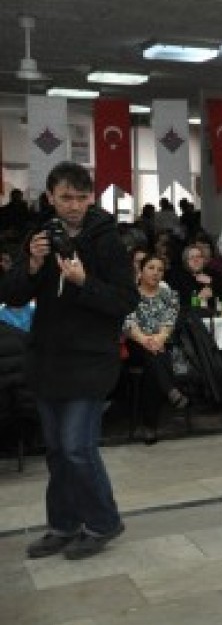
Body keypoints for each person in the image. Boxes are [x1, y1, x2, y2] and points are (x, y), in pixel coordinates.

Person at [1, 162, 138, 560]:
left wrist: (83, 282)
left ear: (91, 197)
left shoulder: (109, 240)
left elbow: (124, 301)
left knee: (78, 447)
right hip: (48, 358)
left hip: (92, 360)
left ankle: (103, 522)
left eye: (81, 197)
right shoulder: (39, 235)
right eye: (66, 198)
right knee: (57, 450)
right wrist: (30, 264)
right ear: (50, 198)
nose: (74, 206)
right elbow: (10, 295)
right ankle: (63, 524)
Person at [124, 253, 189, 445]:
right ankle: (170, 390)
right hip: (135, 344)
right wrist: (145, 340)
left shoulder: (169, 295)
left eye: (160, 269)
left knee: (154, 364)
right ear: (141, 270)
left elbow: (169, 322)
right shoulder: (129, 294)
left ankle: (149, 425)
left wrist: (159, 339)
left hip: (162, 343)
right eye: (151, 268)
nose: (155, 273)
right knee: (153, 356)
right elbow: (128, 324)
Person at [166, 243, 222, 314]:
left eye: (198, 256)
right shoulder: (177, 278)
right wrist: (198, 299)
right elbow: (175, 304)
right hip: (190, 319)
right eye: (192, 257)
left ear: (203, 260)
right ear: (186, 262)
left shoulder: (213, 274)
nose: (196, 260)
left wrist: (211, 281)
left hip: (215, 316)